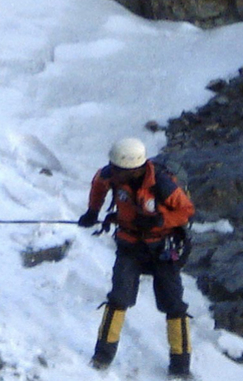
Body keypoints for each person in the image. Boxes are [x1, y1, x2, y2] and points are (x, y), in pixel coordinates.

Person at [78, 137, 195, 378]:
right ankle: (102, 357)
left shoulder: (161, 184)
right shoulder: (113, 173)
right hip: (130, 245)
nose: (114, 174)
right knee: (118, 299)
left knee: (174, 305)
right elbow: (99, 183)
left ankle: (181, 368)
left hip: (162, 248)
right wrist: (92, 211)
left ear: (135, 169)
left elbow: (186, 211)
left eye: (119, 171)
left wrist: (160, 221)